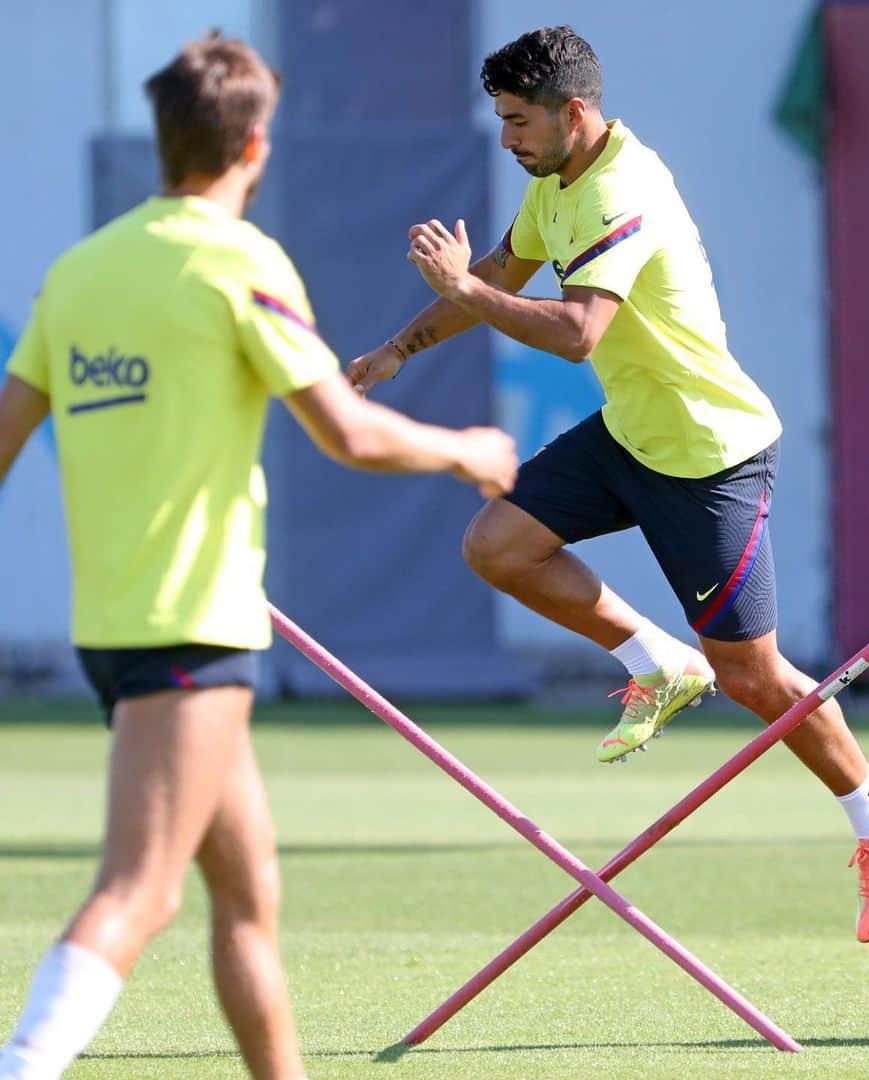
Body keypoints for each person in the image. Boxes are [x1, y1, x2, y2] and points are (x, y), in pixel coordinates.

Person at [0, 32, 516, 1080]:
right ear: (255, 146)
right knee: (140, 891)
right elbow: (352, 433)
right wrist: (468, 449)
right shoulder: (239, 262)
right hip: (191, 626)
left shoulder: (79, 272)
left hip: (122, 625)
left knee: (247, 896)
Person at [347, 25, 869, 945]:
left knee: (756, 677)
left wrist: (466, 290)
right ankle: (655, 661)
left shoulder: (625, 188)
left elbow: (578, 332)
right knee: (497, 544)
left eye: (518, 120)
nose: (506, 139)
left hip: (709, 456)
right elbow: (501, 272)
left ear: (574, 112)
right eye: (499, 119)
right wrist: (396, 350)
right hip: (630, 436)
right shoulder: (557, 181)